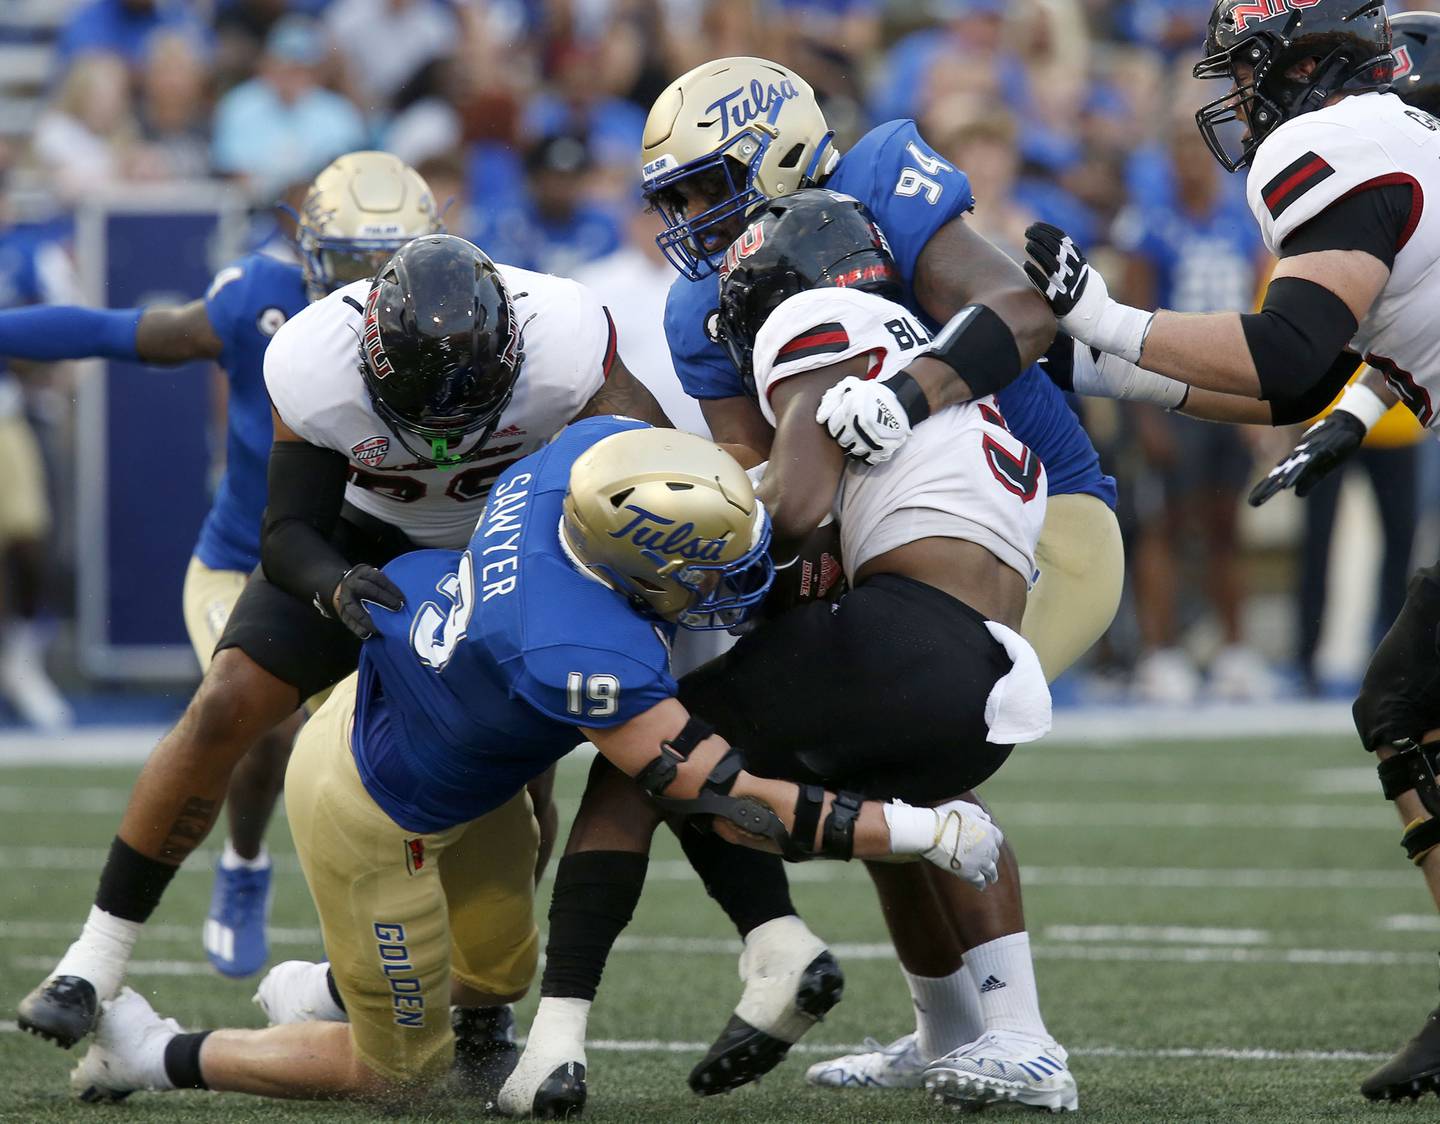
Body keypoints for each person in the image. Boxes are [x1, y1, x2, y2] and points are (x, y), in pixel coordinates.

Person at [66, 416, 1004, 1109]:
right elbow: (730, 800)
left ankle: (320, 986)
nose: (723, 591)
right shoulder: (579, 655)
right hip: (368, 807)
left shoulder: (578, 462)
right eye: (706, 573)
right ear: (640, 575)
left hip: (416, 716)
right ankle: (151, 1051)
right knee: (399, 1075)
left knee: (500, 979)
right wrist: (917, 829)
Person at [15, 234, 670, 1097]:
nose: (440, 432)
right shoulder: (314, 359)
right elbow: (286, 533)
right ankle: (94, 958)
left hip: (505, 544)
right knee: (229, 701)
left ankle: (481, 1014)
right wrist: (333, 589)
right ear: (368, 350)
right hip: (363, 540)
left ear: (512, 349)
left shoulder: (569, 336)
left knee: (520, 779)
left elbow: (646, 468)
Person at [630, 55, 1124, 1106]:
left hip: (1044, 521)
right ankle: (949, 1030)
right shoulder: (698, 309)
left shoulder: (882, 174)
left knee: (922, 734)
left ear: (781, 153)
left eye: (707, 186)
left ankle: (1023, 1032)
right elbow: (769, 477)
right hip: (882, 530)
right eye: (673, 197)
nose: (690, 219)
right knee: (875, 750)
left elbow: (1023, 312)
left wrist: (904, 392)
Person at [503, 190, 1064, 1116]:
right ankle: (979, 1033)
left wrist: (665, 528)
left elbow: (793, 511)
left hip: (907, 637)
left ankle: (558, 1043)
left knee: (644, 758)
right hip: (981, 663)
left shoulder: (816, 319)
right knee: (911, 806)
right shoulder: (936, 366)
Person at [1017, 1, 1440, 1101]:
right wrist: (1113, 368)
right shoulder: (1408, 141)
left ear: (1308, 66)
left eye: (1250, 71)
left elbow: (1285, 348)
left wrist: (1108, 321)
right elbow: (1323, 368)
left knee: (1404, 701)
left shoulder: (1336, 144)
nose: (1240, 100)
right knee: (1402, 700)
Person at [0, 152, 439, 977]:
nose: (372, 284)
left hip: (375, 565)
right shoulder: (257, 304)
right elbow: (119, 332)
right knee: (259, 720)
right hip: (251, 559)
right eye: (351, 262)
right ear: (306, 252)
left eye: (389, 262)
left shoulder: (460, 323)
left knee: (388, 747)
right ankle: (242, 866)